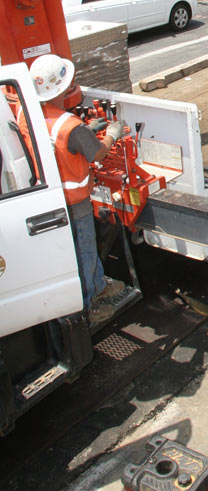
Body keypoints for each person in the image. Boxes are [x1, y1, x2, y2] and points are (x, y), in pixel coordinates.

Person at [28, 54, 127, 325]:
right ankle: (88, 306)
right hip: (74, 201)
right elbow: (97, 153)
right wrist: (112, 133)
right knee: (84, 250)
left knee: (78, 250)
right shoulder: (70, 126)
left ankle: (98, 284)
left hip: (50, 199)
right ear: (63, 88)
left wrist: (86, 129)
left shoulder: (30, 116)